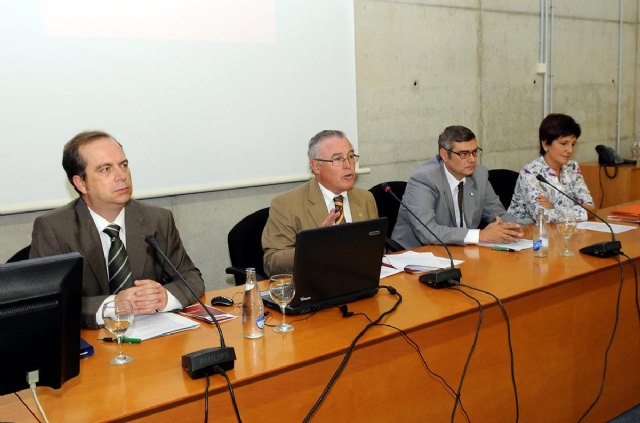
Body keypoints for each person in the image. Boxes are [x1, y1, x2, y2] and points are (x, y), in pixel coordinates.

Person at [30, 131, 205, 329]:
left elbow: (190, 277)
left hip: (152, 339)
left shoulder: (157, 219)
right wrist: (112, 306)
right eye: (105, 169)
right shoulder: (54, 229)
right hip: (92, 343)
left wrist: (166, 297)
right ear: (81, 183)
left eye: (123, 165)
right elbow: (46, 302)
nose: (122, 176)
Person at [261, 130, 378, 276]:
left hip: (360, 281)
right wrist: (313, 246)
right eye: (337, 159)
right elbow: (272, 263)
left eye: (351, 156)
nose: (348, 165)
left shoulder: (365, 199)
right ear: (316, 167)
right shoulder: (285, 205)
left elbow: (374, 250)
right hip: (315, 285)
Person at [392, 125, 522, 248]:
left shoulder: (479, 174)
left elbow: (498, 213)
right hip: (416, 257)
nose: (472, 159)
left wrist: (513, 229)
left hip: (460, 252)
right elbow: (429, 232)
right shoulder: (424, 179)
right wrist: (480, 235)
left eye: (474, 152)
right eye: (464, 154)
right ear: (444, 155)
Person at [508, 113, 594, 224]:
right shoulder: (530, 173)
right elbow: (542, 217)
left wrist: (553, 208)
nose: (570, 150)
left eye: (573, 144)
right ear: (545, 144)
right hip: (525, 235)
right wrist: (581, 212)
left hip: (560, 232)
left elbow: (591, 209)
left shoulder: (572, 167)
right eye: (564, 143)